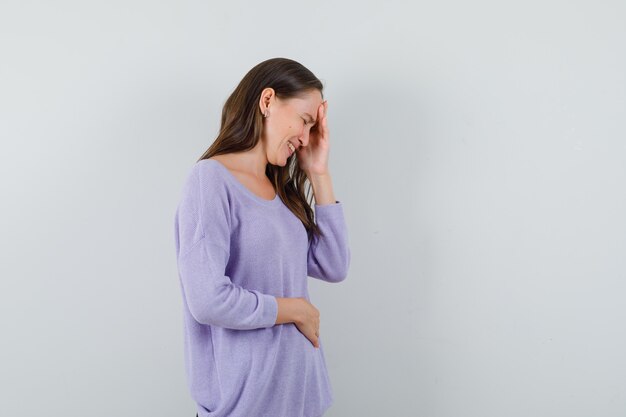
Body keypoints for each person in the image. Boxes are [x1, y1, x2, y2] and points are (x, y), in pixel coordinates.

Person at [173, 57, 351, 417]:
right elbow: (207, 299)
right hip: (246, 406)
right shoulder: (210, 181)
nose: (305, 137)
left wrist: (319, 172)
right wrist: (293, 309)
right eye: (304, 120)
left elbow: (334, 266)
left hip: (302, 398)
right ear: (267, 100)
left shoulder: (282, 193)